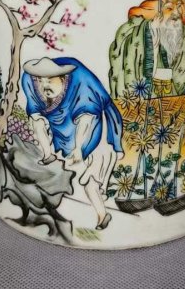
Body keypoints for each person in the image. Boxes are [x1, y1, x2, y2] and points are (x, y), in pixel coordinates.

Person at [21, 56, 123, 230]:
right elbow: (35, 115)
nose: (44, 86)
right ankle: (48, 157)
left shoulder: (82, 84)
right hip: (63, 130)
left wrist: (78, 149)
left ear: (63, 78)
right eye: (40, 80)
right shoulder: (29, 81)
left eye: (50, 80)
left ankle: (102, 215)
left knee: (91, 180)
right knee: (38, 125)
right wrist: (47, 153)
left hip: (98, 126)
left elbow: (86, 119)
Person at [108, 0, 185, 98]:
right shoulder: (144, 27)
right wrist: (150, 31)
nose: (176, 13)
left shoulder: (184, 30)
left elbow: (184, 68)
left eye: (179, 7)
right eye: (169, 8)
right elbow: (123, 42)